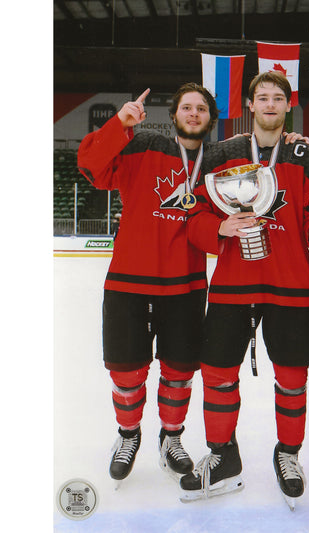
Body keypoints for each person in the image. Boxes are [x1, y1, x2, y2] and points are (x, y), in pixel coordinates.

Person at [180, 71, 309, 509]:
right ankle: (222, 454)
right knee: (218, 374)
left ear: (289, 106)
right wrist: (220, 226)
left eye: (278, 98)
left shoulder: (308, 154)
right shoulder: (221, 153)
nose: (270, 104)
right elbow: (195, 220)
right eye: (261, 97)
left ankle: (288, 454)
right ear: (250, 106)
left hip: (291, 287)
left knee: (291, 379)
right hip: (233, 284)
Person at [77, 83, 219, 485]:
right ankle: (128, 435)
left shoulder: (219, 161)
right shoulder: (143, 147)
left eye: (202, 109)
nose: (194, 114)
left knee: (179, 370)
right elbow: (91, 166)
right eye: (187, 107)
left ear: (211, 118)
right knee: (126, 371)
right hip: (128, 282)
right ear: (174, 114)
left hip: (185, 286)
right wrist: (120, 123)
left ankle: (171, 437)